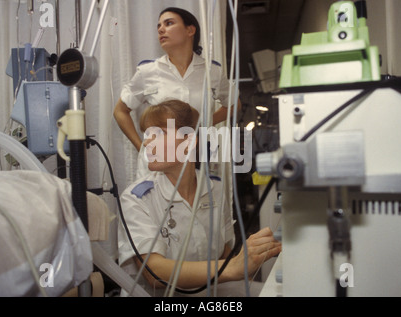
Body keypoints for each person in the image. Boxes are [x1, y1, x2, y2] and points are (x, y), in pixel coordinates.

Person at [117, 100, 281, 296]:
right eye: (147, 134)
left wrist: (247, 264)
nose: (146, 142)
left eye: (159, 133)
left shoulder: (215, 189)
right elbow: (155, 273)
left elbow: (222, 253)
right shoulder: (136, 198)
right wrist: (232, 268)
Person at [113, 7, 239, 178]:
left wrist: (203, 124)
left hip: (196, 160)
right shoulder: (148, 71)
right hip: (157, 166)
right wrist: (141, 146)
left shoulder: (212, 72)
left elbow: (234, 104)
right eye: (159, 26)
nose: (161, 29)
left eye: (169, 23)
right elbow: (120, 111)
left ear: (190, 30)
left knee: (195, 202)